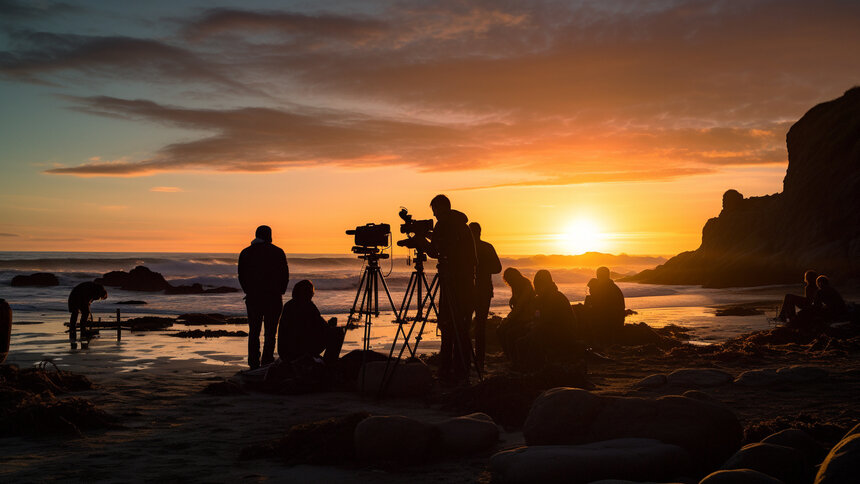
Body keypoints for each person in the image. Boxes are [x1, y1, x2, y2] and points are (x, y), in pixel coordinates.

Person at [420, 194, 477, 382]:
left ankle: (447, 370)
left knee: (447, 325)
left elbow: (439, 251)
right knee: (461, 327)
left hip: (453, 281)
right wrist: (431, 237)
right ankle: (462, 371)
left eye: (435, 212)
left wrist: (422, 243)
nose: (434, 216)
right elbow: (449, 246)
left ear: (441, 208)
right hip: (466, 282)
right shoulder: (460, 224)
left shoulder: (445, 224)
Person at [238, 225, 289, 370]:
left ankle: (253, 362)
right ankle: (267, 361)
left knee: (254, 331)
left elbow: (241, 275)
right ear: (269, 236)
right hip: (273, 297)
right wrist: (281, 290)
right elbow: (285, 273)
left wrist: (248, 291)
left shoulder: (246, 252)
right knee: (271, 332)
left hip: (254, 297)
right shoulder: (278, 252)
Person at [278, 280, 345, 365]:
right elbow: (323, 327)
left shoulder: (288, 305)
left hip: (285, 351)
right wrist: (331, 325)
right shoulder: (308, 306)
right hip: (299, 350)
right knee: (338, 332)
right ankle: (329, 364)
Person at [469, 222, 502, 372]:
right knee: (480, 326)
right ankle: (479, 360)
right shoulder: (487, 247)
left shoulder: (467, 248)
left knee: (466, 325)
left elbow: (497, 268)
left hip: (470, 290)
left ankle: (471, 358)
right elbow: (498, 268)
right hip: (483, 290)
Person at [496, 267, 536, 364]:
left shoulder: (526, 285)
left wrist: (509, 318)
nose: (508, 283)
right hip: (519, 316)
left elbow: (521, 305)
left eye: (509, 280)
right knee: (500, 329)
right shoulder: (516, 286)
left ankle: (512, 358)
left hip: (526, 317)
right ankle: (508, 354)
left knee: (508, 332)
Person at [584, 266, 626, 341]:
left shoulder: (606, 288)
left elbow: (600, 308)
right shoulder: (610, 287)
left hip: (611, 323)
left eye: (599, 275)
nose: (598, 277)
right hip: (615, 320)